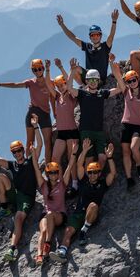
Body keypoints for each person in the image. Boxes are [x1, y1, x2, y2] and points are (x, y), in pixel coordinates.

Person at [0, 117, 42, 262]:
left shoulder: (30, 161)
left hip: (27, 198)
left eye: (19, 151)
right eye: (14, 152)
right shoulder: (12, 165)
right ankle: (4, 207)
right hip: (16, 194)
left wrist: (35, 127)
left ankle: (12, 248)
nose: (17, 154)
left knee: (19, 218)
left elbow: (40, 144)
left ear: (23, 150)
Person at [49, 138, 116, 263]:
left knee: (93, 205)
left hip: (91, 214)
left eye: (95, 172)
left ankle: (83, 231)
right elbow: (79, 165)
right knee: (68, 231)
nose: (92, 175)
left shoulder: (102, 184)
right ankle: (62, 251)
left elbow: (112, 173)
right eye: (90, 172)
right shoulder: (83, 181)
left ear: (99, 173)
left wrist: (110, 158)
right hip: (78, 213)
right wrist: (84, 151)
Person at [0, 58, 54, 161]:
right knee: (30, 143)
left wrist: (55, 113)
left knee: (48, 143)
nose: (38, 71)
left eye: (39, 68)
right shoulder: (30, 82)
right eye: (35, 70)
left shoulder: (50, 83)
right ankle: (29, 167)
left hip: (45, 114)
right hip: (32, 113)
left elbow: (55, 96)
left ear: (43, 68)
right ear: (32, 71)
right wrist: (0, 84)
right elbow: (16, 84)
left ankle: (48, 167)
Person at [66, 58, 123, 168]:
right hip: (86, 131)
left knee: (102, 158)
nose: (93, 82)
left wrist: (116, 72)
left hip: (99, 131)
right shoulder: (82, 93)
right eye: (90, 80)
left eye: (95, 80)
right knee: (89, 159)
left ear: (98, 81)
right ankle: (91, 182)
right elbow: (69, 88)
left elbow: (120, 88)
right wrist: (73, 71)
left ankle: (96, 180)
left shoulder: (102, 93)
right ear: (86, 81)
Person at [31, 142, 78, 266]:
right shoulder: (43, 185)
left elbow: (70, 165)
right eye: (51, 172)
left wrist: (73, 152)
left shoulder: (62, 184)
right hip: (46, 214)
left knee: (51, 214)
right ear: (47, 173)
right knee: (43, 230)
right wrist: (33, 155)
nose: (54, 174)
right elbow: (35, 169)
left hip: (60, 215)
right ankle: (39, 256)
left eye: (55, 172)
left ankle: (47, 244)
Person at [114, 68, 140, 189]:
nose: (132, 83)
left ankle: (138, 165)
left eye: (134, 80)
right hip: (126, 125)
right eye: (129, 81)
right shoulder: (126, 91)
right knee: (126, 152)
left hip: (139, 126)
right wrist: (112, 64)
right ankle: (129, 178)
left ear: (138, 79)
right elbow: (117, 76)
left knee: (134, 147)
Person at [44, 58, 80, 195]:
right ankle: (60, 184)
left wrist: (61, 68)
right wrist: (47, 70)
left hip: (72, 131)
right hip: (61, 133)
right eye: (58, 86)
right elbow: (48, 85)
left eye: (62, 85)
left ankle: (75, 184)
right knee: (55, 159)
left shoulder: (71, 95)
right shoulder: (57, 97)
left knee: (72, 159)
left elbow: (69, 80)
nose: (60, 87)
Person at [56, 10, 118, 85]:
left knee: (78, 69)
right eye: (92, 35)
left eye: (97, 35)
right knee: (74, 68)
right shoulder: (87, 46)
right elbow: (73, 37)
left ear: (101, 36)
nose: (95, 37)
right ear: (90, 37)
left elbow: (111, 36)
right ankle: (83, 88)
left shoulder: (105, 46)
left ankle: (86, 88)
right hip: (88, 78)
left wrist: (114, 21)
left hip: (100, 81)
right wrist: (62, 25)